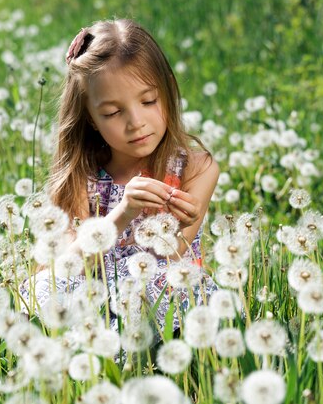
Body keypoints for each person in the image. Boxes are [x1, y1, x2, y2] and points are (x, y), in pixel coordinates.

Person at [19, 19, 219, 333]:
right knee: (40, 288)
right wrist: (123, 213)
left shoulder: (197, 168)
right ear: (91, 118)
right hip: (94, 297)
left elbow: (172, 254)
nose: (136, 122)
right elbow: (66, 265)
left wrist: (176, 223)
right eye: (113, 112)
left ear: (167, 91)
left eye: (149, 101)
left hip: (164, 299)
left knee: (155, 285)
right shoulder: (82, 177)